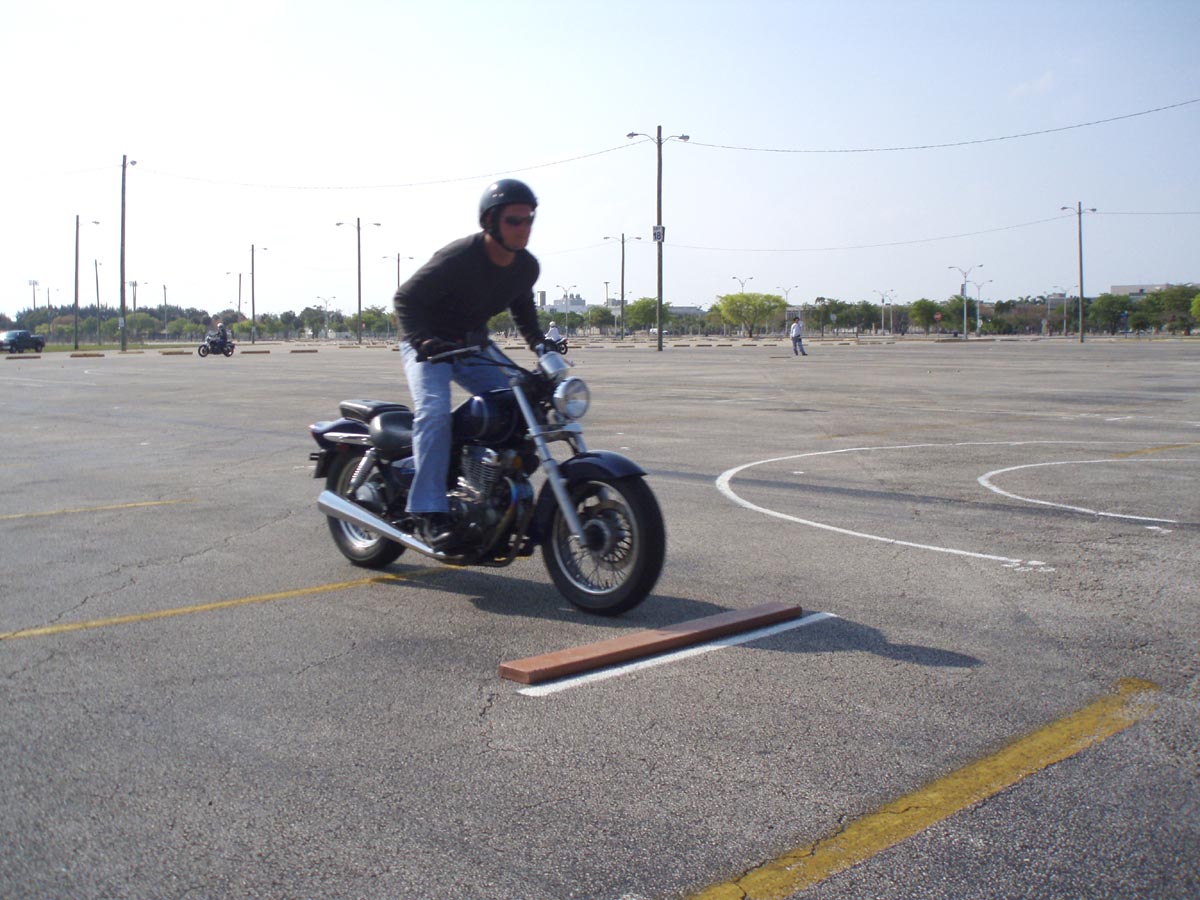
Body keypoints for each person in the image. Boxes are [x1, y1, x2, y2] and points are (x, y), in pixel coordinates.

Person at [393, 178, 546, 549]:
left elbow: (523, 309)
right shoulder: (459, 257)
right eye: (514, 220)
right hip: (429, 345)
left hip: (473, 346)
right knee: (434, 412)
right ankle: (428, 511)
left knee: (523, 404)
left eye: (529, 219)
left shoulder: (525, 267)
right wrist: (423, 341)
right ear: (490, 222)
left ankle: (500, 494)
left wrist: (543, 347)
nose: (524, 227)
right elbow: (405, 299)